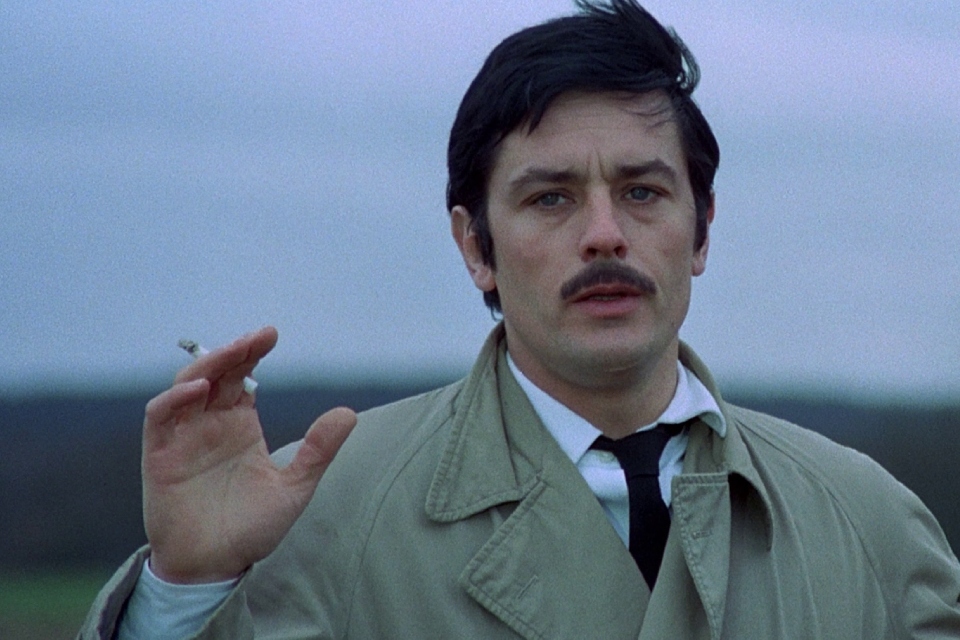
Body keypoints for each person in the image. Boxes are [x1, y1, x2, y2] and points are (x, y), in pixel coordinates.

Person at [80, 1, 960, 638]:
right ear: (476, 247)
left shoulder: (868, 522)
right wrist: (184, 592)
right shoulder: (314, 520)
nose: (605, 233)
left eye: (643, 191)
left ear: (701, 230)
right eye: (550, 198)